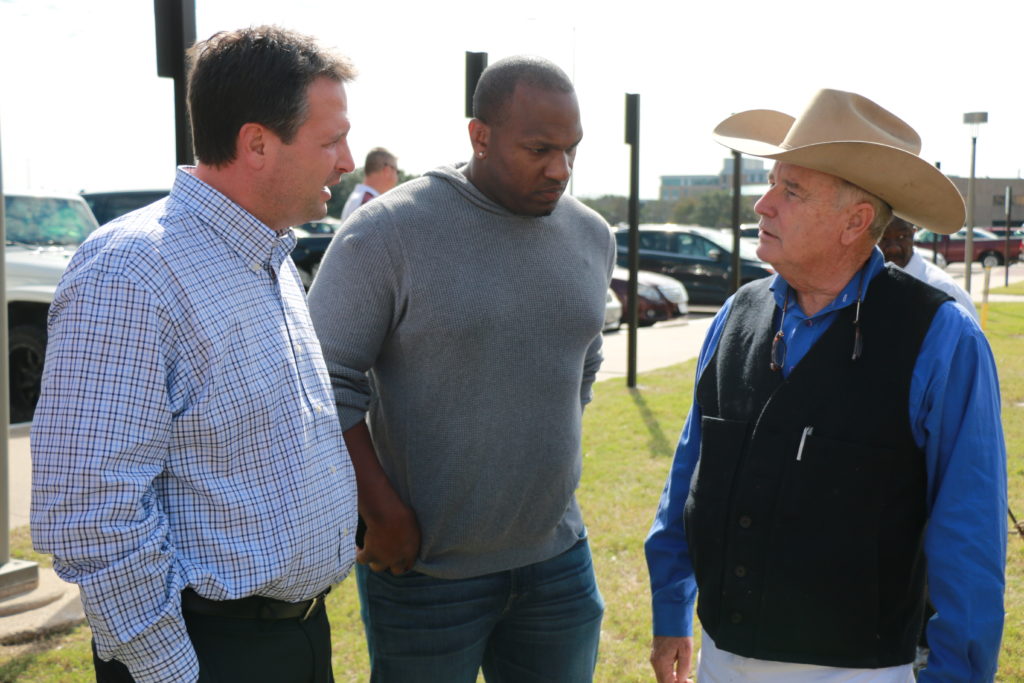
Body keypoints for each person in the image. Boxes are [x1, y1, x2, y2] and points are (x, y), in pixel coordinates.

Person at [31, 26, 359, 683]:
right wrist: (169, 670)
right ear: (257, 143)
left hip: (293, 638)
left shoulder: (270, 256)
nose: (347, 160)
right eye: (330, 140)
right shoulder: (131, 271)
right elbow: (91, 514)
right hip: (208, 652)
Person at [645, 89, 1006, 683]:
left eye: (791, 191)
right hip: (719, 659)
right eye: (771, 183)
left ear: (855, 221)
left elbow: (969, 539)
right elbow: (689, 478)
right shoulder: (736, 315)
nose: (762, 205)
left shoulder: (943, 338)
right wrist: (669, 610)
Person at [307, 55, 615, 682]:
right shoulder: (389, 231)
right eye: (538, 149)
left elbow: (583, 364)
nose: (560, 169)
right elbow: (319, 382)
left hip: (558, 564)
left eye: (571, 150)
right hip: (425, 574)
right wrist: (382, 511)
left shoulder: (592, 235)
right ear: (479, 136)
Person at [879, 215, 979, 321]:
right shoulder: (866, 281)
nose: (894, 248)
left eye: (902, 237)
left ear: (914, 233)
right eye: (883, 238)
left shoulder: (944, 289)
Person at [340, 147, 399, 220]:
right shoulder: (370, 203)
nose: (397, 177)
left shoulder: (362, 198)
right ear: (387, 170)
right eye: (397, 172)